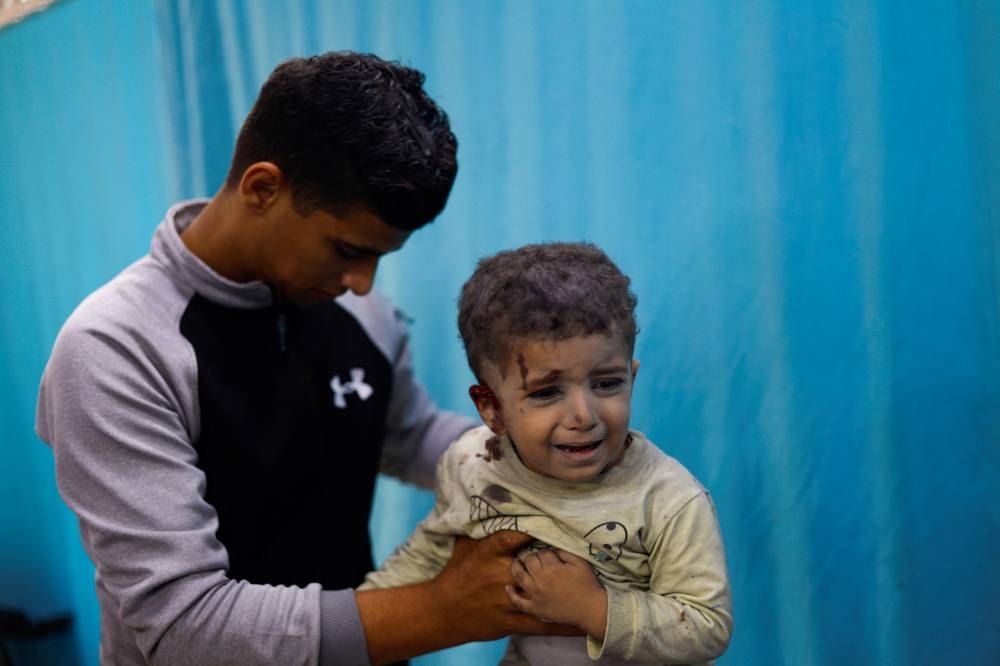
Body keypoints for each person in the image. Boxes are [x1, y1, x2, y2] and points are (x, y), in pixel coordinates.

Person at [35, 51, 576, 665]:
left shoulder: (358, 310)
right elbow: (185, 626)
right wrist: (442, 609)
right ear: (262, 187)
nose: (365, 283)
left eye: (379, 257)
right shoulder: (115, 351)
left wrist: (537, 455)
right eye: (346, 249)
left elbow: (405, 433)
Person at [361, 243, 734, 664]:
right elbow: (432, 552)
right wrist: (356, 626)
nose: (583, 414)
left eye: (607, 384)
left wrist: (593, 607)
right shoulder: (475, 464)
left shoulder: (669, 499)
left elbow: (706, 625)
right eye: (546, 392)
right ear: (491, 409)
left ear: (632, 376)